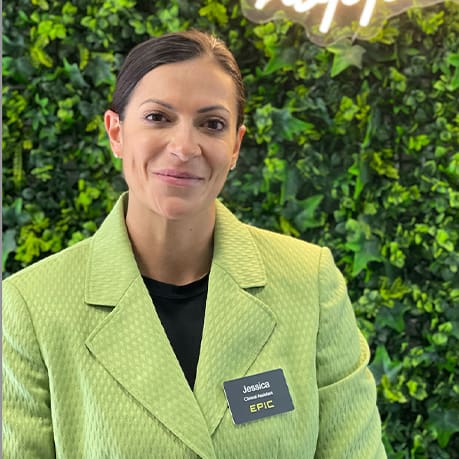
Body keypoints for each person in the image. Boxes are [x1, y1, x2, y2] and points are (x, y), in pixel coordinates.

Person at [2, 30, 386, 458]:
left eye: (212, 124)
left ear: (235, 146)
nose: (185, 147)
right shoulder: (32, 306)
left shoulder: (308, 283)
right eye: (158, 117)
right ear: (116, 132)